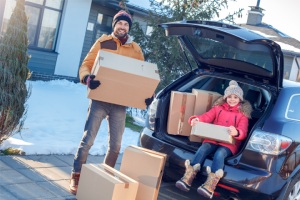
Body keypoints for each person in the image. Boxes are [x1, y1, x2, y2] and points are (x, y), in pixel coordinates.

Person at [69, 10, 149, 195]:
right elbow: (86, 64)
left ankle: (105, 177)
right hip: (100, 99)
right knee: (88, 140)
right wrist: (87, 78)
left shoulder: (135, 49)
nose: (122, 27)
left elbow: (142, 75)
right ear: (114, 25)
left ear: (129, 27)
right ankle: (77, 174)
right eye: (120, 23)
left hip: (120, 103)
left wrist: (146, 93)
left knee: (116, 146)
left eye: (126, 24)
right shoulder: (103, 42)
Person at [175, 80, 252, 199]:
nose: (232, 99)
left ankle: (210, 186)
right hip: (212, 139)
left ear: (240, 99)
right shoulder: (218, 108)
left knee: (219, 154)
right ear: (225, 98)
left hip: (230, 145)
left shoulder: (243, 115)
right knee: (203, 148)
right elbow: (206, 117)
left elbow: (243, 132)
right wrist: (197, 120)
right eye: (229, 97)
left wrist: (236, 132)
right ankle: (188, 178)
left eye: (235, 97)